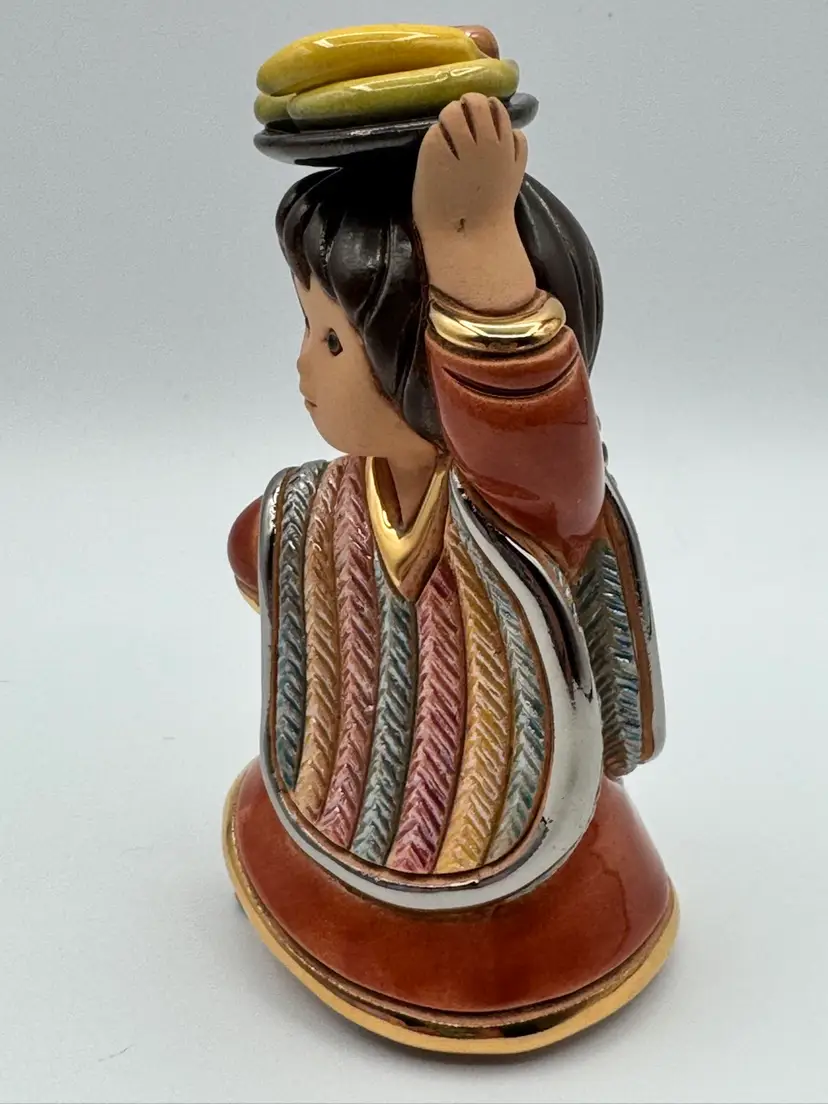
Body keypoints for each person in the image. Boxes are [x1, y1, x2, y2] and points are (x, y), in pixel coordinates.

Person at [225, 90, 675, 1052]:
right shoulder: (322, 501)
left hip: (520, 882)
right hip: (320, 797)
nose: (303, 366)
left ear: (426, 368)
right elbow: (264, 553)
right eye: (308, 328)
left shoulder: (518, 509)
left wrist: (472, 249)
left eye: (333, 340)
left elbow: (533, 442)